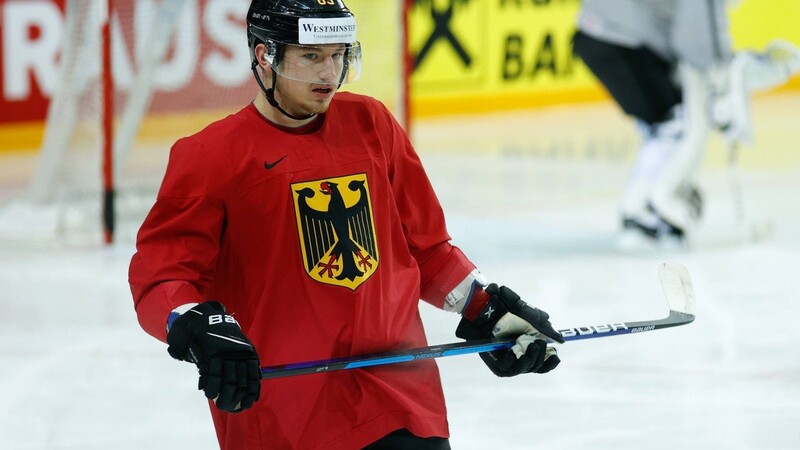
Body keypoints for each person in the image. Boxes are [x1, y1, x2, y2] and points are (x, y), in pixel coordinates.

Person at [128, 1, 563, 449]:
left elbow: (426, 250)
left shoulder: (372, 124)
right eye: (312, 57)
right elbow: (163, 276)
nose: (329, 73)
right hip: (288, 412)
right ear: (265, 56)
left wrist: (486, 307)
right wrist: (197, 324)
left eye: (338, 55)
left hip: (398, 395)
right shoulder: (211, 155)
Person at [573, 0, 800, 246]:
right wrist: (721, 78)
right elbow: (696, 39)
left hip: (597, 33)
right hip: (622, 40)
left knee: (665, 122)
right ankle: (656, 209)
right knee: (680, 123)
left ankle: (640, 210)